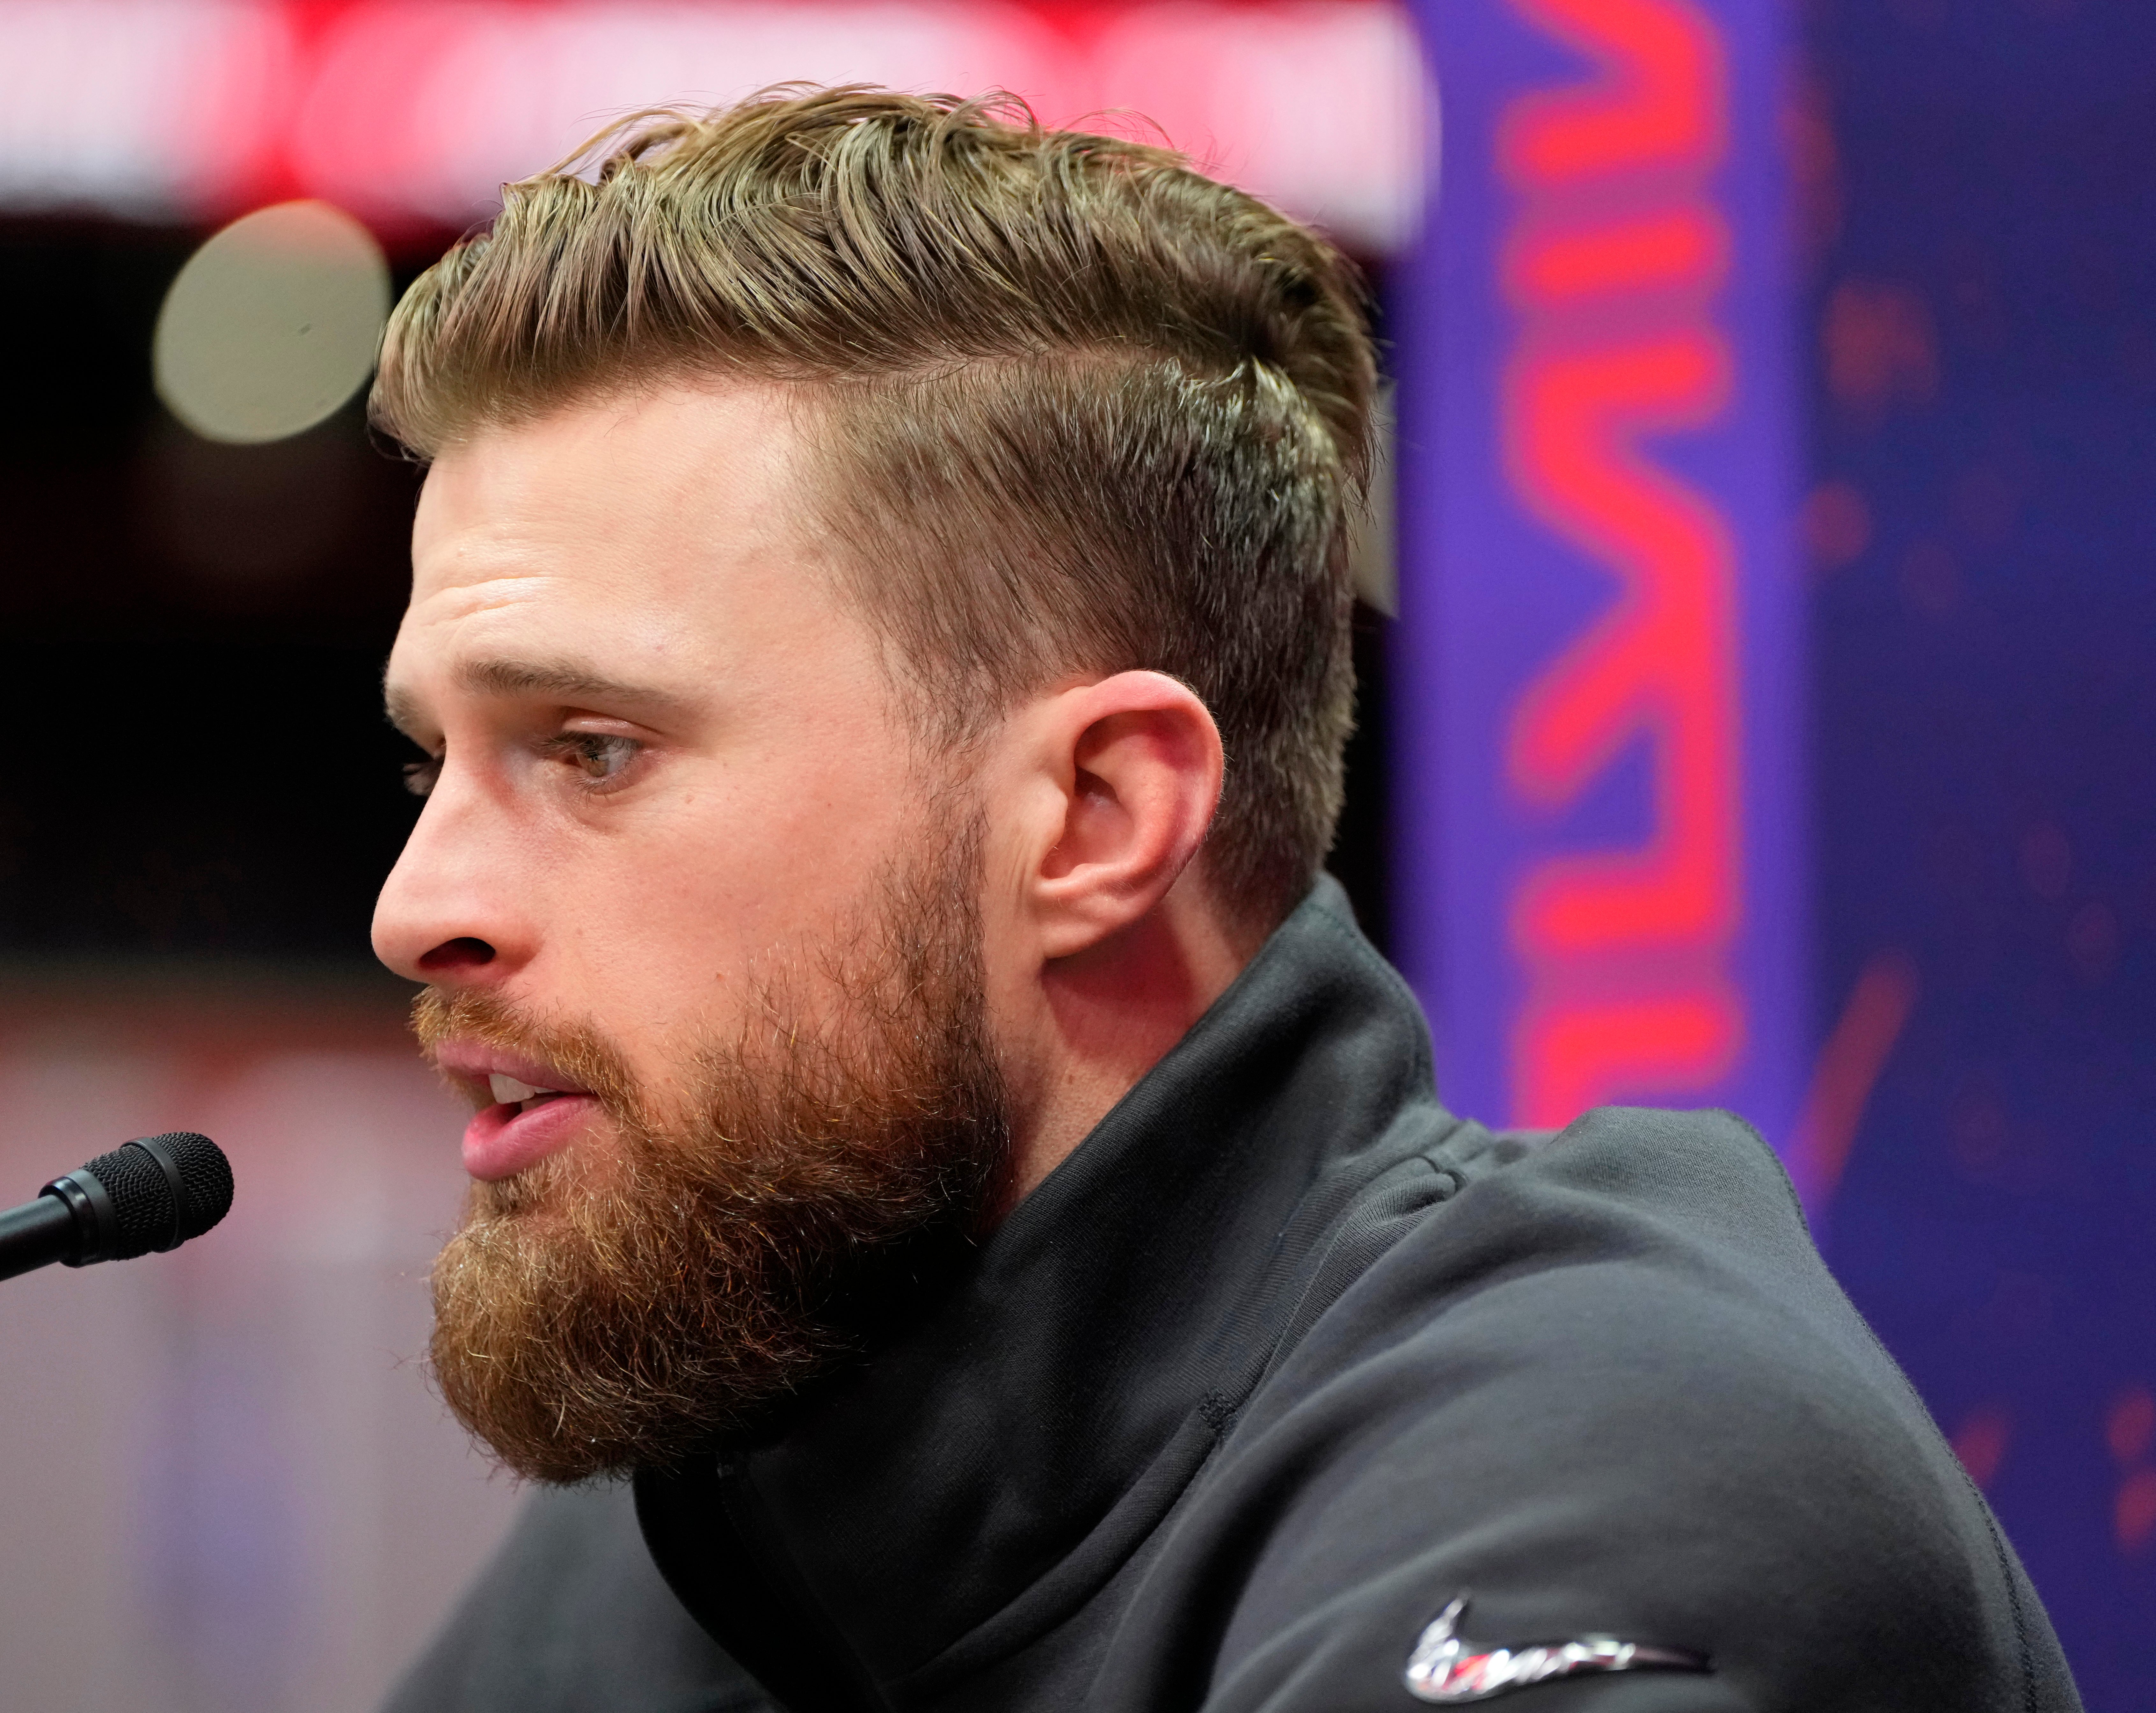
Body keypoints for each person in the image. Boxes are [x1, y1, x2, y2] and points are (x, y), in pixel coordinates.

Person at [364, 86, 2077, 1713]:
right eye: (432, 759)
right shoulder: (693, 1523)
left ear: (1098, 818)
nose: (415, 905)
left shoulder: (1605, 1461)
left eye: (590, 749)